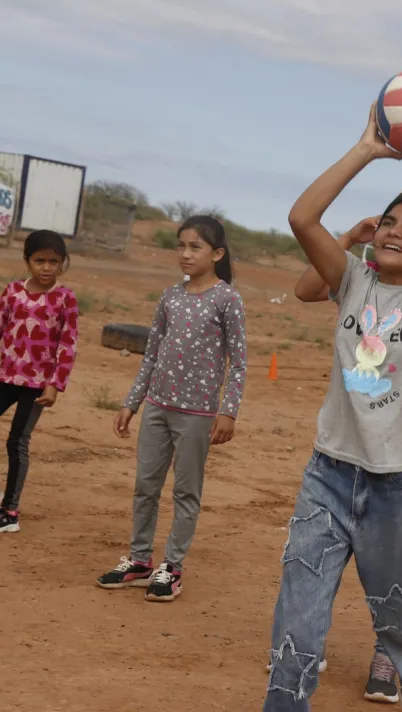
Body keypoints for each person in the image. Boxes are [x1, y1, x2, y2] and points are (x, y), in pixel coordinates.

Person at [263, 104, 402, 711]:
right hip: (328, 476)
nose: (393, 231)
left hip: (399, 488)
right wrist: (366, 149)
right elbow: (302, 217)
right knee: (296, 620)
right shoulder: (354, 282)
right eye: (388, 221)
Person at [95, 215, 247, 602]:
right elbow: (151, 355)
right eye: (181, 246)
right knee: (145, 485)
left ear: (217, 254)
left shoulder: (227, 299)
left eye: (195, 247)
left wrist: (228, 410)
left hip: (197, 415)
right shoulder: (170, 296)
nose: (185, 254)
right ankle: (141, 559)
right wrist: (133, 403)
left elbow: (239, 361)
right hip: (157, 408)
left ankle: (173, 567)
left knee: (185, 491)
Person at [0, 230, 79, 534]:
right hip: (6, 377)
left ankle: (10, 511)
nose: (47, 267)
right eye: (40, 261)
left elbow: (68, 344)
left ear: (63, 262)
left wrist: (55, 383)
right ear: (27, 261)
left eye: (54, 261)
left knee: (16, 442)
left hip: (37, 385)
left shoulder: (65, 298)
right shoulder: (12, 292)